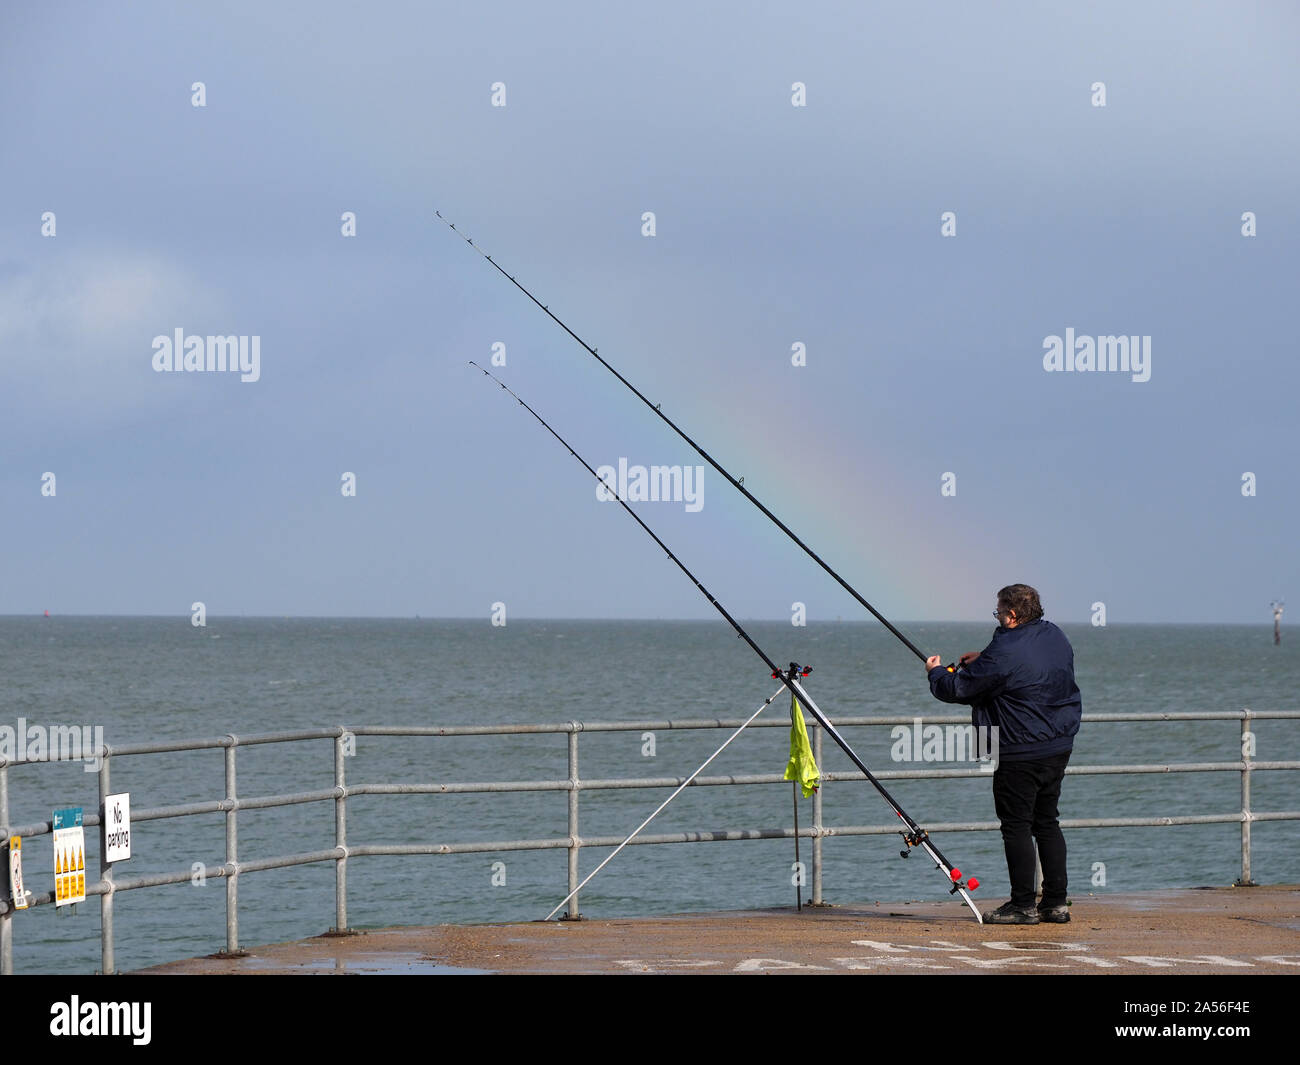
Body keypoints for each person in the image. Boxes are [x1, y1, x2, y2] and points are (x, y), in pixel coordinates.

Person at [924, 584, 1081, 925]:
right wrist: (983, 659)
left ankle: (1023, 905)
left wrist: (935, 672)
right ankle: (1055, 903)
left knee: (1017, 826)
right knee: (1047, 822)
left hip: (1020, 749)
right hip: (1058, 744)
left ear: (1011, 615)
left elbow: (958, 689)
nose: (997, 617)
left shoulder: (1006, 647)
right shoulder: (1054, 635)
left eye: (998, 612)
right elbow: (1018, 664)